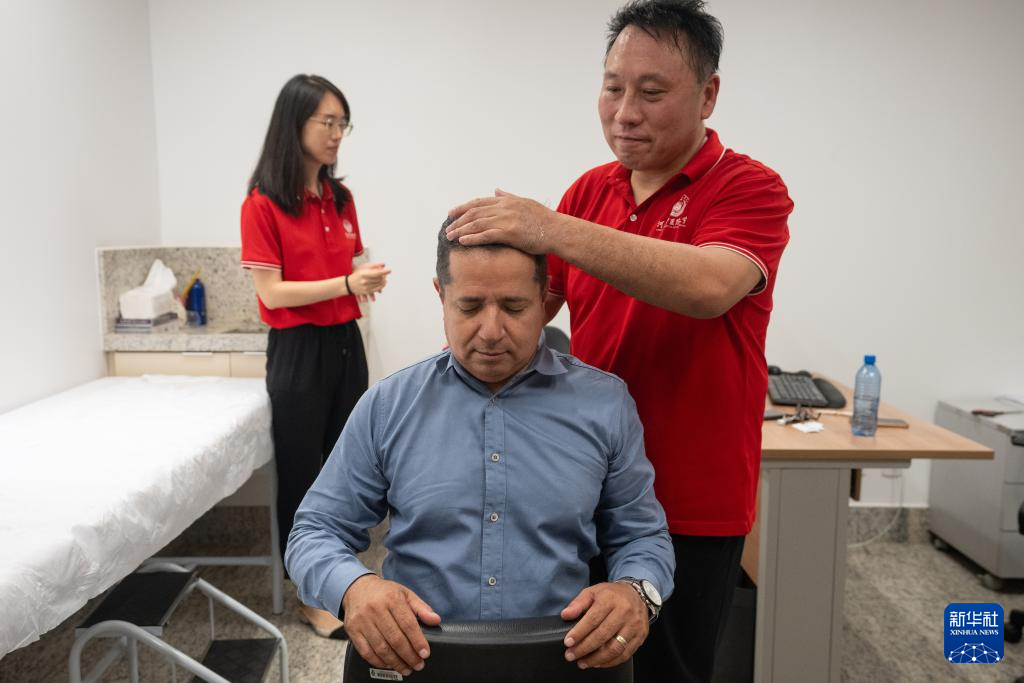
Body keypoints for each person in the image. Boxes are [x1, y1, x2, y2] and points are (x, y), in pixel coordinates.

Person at [445, 1, 794, 681]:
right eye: (613, 88)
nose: (625, 112)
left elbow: (707, 286)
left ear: (708, 95)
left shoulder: (748, 187)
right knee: (582, 664)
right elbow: (526, 313)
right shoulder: (589, 192)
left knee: (668, 669)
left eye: (651, 92)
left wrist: (550, 228)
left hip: (691, 499)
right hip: (584, 487)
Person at [285, 221, 675, 677]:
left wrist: (635, 591)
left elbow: (642, 536)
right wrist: (355, 588)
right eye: (469, 306)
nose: (491, 331)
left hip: (559, 659)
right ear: (441, 296)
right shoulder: (389, 406)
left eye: (514, 307)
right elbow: (314, 531)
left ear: (545, 300)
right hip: (420, 660)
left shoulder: (603, 404)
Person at [240, 74, 391, 639]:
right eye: (327, 122)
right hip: (298, 349)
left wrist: (362, 280)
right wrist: (347, 283)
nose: (336, 134)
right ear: (294, 124)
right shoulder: (262, 204)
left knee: (349, 467)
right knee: (304, 471)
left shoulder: (341, 198)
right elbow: (272, 293)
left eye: (342, 123)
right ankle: (310, 594)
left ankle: (346, 578)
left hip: (344, 341)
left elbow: (348, 266)